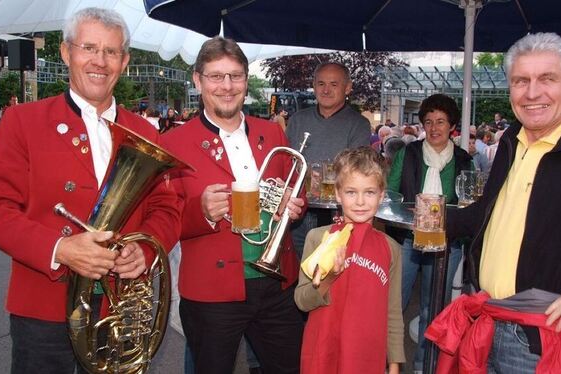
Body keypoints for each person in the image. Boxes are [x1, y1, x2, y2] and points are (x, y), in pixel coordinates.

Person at [0, 7, 181, 373]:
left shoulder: (147, 133)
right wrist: (60, 248)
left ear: (124, 61)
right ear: (67, 53)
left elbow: (167, 207)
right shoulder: (23, 122)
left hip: (120, 307)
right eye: (88, 47)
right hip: (42, 308)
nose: (99, 61)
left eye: (111, 51)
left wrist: (145, 249)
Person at [427, 32, 561, 373]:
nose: (532, 93)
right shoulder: (512, 140)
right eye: (520, 81)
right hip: (487, 322)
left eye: (547, 79)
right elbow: (489, 214)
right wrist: (431, 219)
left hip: (544, 342)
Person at [161, 36, 305, 374]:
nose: (227, 86)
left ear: (246, 79)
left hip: (277, 284)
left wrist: (294, 203)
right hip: (211, 293)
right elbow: (161, 222)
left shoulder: (272, 133)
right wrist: (201, 212)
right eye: (216, 76)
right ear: (197, 80)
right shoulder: (171, 144)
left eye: (236, 76)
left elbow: (296, 187)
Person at [295, 146, 405, 374]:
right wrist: (330, 277)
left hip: (366, 354)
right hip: (323, 348)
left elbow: (393, 313)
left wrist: (394, 365)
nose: (361, 202)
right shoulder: (318, 238)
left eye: (370, 192)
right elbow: (302, 301)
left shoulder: (391, 248)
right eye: (351, 192)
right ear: (337, 193)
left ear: (382, 195)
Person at [386, 93, 472, 373]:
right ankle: (387, 364)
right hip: (409, 240)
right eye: (428, 122)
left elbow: (468, 202)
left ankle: (425, 367)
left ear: (452, 126)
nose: (434, 128)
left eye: (441, 122)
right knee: (393, 307)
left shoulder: (463, 159)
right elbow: (391, 195)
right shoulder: (407, 153)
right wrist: (405, 209)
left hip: (447, 244)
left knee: (432, 310)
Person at [286, 62, 371, 257]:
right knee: (299, 275)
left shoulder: (359, 124)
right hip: (297, 213)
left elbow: (358, 170)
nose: (326, 90)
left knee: (331, 276)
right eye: (321, 83)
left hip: (337, 214)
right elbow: (286, 163)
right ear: (313, 85)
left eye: (334, 84)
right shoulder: (298, 120)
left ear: (347, 87)